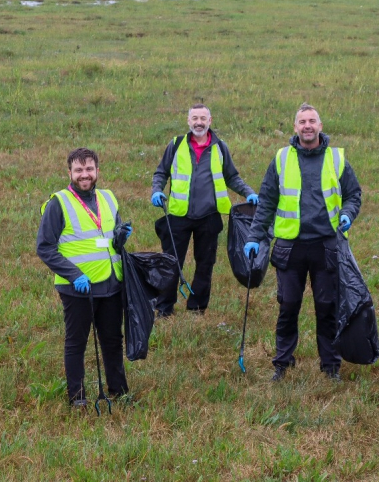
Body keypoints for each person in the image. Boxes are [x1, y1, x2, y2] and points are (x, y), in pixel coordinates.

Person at [243, 103, 362, 382]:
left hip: (326, 246)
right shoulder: (282, 158)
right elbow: (267, 201)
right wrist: (254, 237)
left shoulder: (337, 159)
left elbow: (354, 195)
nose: (307, 126)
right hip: (289, 247)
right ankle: (282, 363)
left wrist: (347, 215)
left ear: (320, 126)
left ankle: (330, 366)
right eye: (302, 122)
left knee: (327, 307)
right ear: (295, 128)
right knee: (288, 306)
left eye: (312, 121)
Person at [37, 147, 130, 407]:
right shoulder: (59, 202)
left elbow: (109, 239)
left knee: (113, 341)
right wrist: (74, 274)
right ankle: (77, 398)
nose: (84, 175)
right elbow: (44, 247)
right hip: (78, 289)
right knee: (76, 343)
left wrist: (120, 239)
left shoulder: (109, 198)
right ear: (70, 173)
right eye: (78, 170)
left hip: (111, 284)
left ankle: (119, 392)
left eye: (89, 169)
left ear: (97, 171)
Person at [151, 104, 258, 315]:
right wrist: (156, 190)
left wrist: (249, 193)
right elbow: (161, 173)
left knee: (205, 264)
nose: (198, 122)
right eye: (194, 118)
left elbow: (232, 177)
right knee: (171, 263)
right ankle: (164, 309)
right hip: (178, 215)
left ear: (210, 121)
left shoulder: (220, 147)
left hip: (209, 216)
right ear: (188, 121)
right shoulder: (176, 144)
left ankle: (197, 308)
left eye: (203, 118)